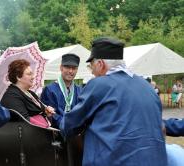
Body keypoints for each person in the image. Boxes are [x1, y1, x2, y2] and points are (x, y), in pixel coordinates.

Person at [59, 37, 167, 166]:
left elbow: (69, 125)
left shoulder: (98, 85)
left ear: (100, 64)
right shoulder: (147, 87)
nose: (92, 72)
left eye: (91, 67)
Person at [0, 59, 55, 123]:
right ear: (18, 77)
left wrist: (46, 113)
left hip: (41, 130)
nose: (33, 77)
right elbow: (24, 121)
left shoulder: (30, 93)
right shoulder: (11, 96)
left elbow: (38, 112)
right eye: (29, 74)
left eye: (32, 74)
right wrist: (42, 118)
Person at [41, 53, 81, 128]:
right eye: (67, 67)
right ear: (61, 68)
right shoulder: (49, 89)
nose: (71, 71)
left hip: (75, 131)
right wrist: (67, 126)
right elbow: (50, 114)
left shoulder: (79, 90)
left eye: (74, 68)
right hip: (56, 133)